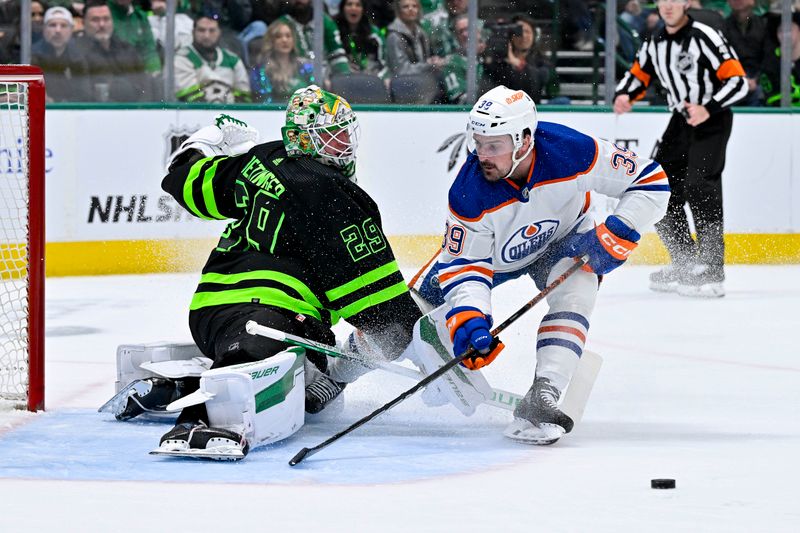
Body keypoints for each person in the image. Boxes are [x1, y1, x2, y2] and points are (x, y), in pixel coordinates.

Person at [153, 86, 422, 457]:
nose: (345, 144)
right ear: (306, 140)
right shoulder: (335, 195)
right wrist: (425, 338)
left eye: (346, 132)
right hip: (269, 318)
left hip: (209, 315)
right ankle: (202, 415)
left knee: (294, 366)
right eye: (334, 135)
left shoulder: (261, 159)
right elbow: (383, 313)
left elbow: (183, 181)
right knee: (388, 330)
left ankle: (199, 380)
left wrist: (204, 142)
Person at [410, 85, 669, 445]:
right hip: (493, 260)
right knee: (403, 320)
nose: (482, 155)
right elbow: (465, 264)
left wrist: (618, 230)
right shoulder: (468, 192)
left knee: (577, 295)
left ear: (524, 139)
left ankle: (544, 392)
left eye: (494, 145)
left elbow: (651, 181)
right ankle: (338, 372)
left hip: (564, 242)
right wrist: (470, 314)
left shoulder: (571, 151)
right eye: (478, 142)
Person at [614, 0, 747, 298]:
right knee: (657, 189)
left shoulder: (705, 36)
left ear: (687, 3)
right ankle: (685, 263)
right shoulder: (655, 41)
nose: (668, 5)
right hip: (681, 120)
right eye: (663, 0)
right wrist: (624, 95)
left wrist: (708, 108)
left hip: (712, 118)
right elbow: (639, 74)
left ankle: (712, 269)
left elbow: (737, 81)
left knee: (701, 185)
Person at [77, 0, 151, 102]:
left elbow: (144, 86)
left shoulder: (127, 49)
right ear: (83, 23)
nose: (102, 24)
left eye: (106, 19)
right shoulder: (76, 51)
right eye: (95, 20)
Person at [484, 15, 559, 104]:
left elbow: (538, 82)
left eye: (527, 31)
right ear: (510, 36)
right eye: (519, 31)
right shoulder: (498, 61)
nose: (523, 36)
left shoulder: (542, 61)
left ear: (535, 36)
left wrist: (517, 63)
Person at [174, 15, 251, 103]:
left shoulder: (233, 60)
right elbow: (189, 97)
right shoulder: (182, 58)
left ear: (219, 33)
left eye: (212, 31)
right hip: (193, 114)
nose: (206, 36)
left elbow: (244, 98)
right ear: (193, 32)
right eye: (201, 30)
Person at [275, 0, 351, 77]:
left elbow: (337, 54)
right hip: (295, 78)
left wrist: (344, 78)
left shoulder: (325, 21)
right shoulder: (281, 25)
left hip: (326, 77)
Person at [31, 6, 92, 102]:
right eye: (52, 25)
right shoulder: (31, 55)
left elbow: (85, 95)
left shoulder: (79, 56)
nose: (58, 30)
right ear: (44, 28)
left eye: (63, 26)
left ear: (71, 30)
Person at [249, 19, 314, 103]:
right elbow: (263, 101)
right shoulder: (261, 70)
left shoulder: (306, 67)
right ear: (271, 41)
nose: (284, 40)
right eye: (278, 36)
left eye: (288, 36)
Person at [722, 0, 767, 106]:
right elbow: (722, 57)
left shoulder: (763, 25)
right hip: (732, 78)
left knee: (761, 93)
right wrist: (738, 79)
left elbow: (768, 57)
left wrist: (757, 79)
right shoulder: (723, 26)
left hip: (758, 78)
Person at [334, 0, 389, 81]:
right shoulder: (334, 32)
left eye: (358, 5)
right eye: (349, 4)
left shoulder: (374, 34)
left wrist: (376, 80)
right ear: (342, 8)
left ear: (363, 9)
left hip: (370, 81)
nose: (353, 8)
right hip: (342, 81)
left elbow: (385, 65)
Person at [760, 11, 800, 106]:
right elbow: (772, 98)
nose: (785, 35)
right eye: (781, 30)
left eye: (789, 29)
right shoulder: (770, 61)